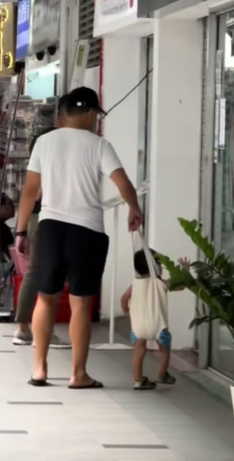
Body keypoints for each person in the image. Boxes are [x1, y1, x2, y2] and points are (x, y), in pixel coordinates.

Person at [15, 87, 143, 388]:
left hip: (50, 229)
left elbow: (30, 191)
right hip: (86, 232)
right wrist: (133, 208)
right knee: (81, 304)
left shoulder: (44, 142)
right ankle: (78, 374)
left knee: (45, 299)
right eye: (96, 116)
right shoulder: (99, 145)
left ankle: (39, 369)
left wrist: (21, 230)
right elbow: (123, 183)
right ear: (89, 114)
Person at [12, 124, 58, 346]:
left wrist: (21, 230)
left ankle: (29, 327)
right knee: (41, 273)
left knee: (39, 272)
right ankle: (29, 328)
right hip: (45, 219)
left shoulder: (36, 166)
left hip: (38, 219)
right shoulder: (47, 168)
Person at [121, 249, 189, 390]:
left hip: (138, 328)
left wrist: (126, 310)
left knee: (138, 352)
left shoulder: (134, 285)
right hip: (159, 327)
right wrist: (185, 270)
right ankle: (161, 374)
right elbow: (181, 285)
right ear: (155, 266)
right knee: (164, 351)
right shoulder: (160, 283)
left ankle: (138, 380)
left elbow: (124, 299)